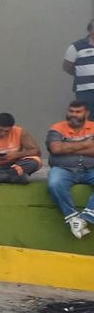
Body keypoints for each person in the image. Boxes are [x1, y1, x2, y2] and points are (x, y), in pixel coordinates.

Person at [45, 100, 94, 238]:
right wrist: (85, 144)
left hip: (91, 169)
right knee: (54, 183)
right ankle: (72, 216)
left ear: (86, 113)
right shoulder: (57, 128)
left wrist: (67, 146)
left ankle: (84, 218)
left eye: (78, 112)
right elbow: (55, 148)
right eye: (71, 111)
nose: (73, 115)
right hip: (63, 169)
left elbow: (61, 148)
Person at [62, 21, 94, 112]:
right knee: (87, 119)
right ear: (90, 30)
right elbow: (67, 66)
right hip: (85, 91)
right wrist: (82, 73)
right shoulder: (76, 46)